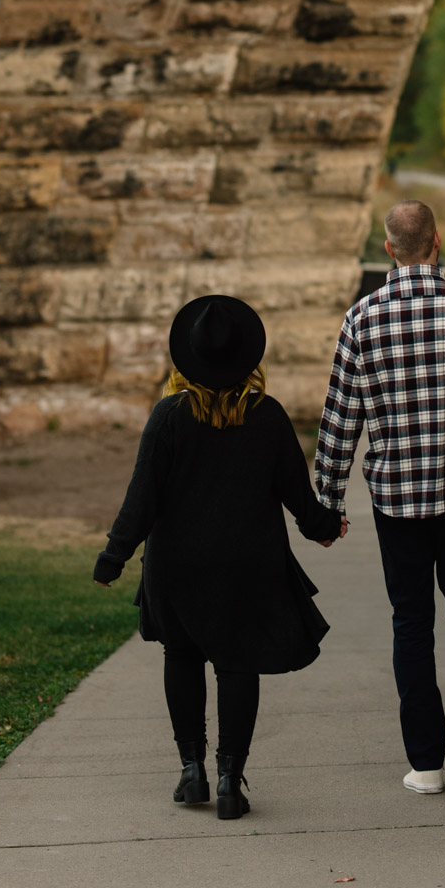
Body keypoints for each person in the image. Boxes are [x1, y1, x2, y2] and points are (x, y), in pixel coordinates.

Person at [93, 294, 342, 820]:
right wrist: (325, 527)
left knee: (180, 657)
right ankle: (230, 778)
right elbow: (298, 496)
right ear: (248, 359)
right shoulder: (267, 417)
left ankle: (191, 772)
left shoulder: (168, 417)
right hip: (245, 566)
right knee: (237, 663)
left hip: (176, 567)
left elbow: (142, 497)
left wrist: (114, 556)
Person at [315, 199, 445, 801]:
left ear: (389, 250)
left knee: (411, 626)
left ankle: (428, 764)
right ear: (438, 242)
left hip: (396, 501)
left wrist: (327, 502)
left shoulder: (362, 319)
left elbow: (339, 421)